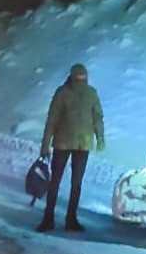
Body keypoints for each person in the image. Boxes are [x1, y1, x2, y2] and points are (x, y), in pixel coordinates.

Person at [37, 63, 104, 232]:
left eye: (83, 77)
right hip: (72, 143)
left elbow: (97, 118)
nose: (81, 80)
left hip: (72, 143)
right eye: (79, 77)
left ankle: (58, 218)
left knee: (67, 182)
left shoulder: (85, 94)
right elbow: (52, 119)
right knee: (65, 182)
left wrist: (100, 138)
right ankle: (59, 218)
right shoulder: (68, 93)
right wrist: (45, 144)